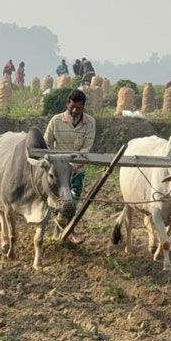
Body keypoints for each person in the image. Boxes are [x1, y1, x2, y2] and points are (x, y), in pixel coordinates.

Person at [43, 89, 96, 244]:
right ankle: (64, 231)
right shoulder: (55, 121)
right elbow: (47, 143)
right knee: (57, 200)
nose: (74, 110)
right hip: (58, 171)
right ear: (68, 104)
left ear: (83, 107)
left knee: (72, 201)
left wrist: (72, 164)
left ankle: (67, 230)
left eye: (78, 108)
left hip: (77, 169)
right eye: (72, 107)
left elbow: (86, 148)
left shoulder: (90, 123)